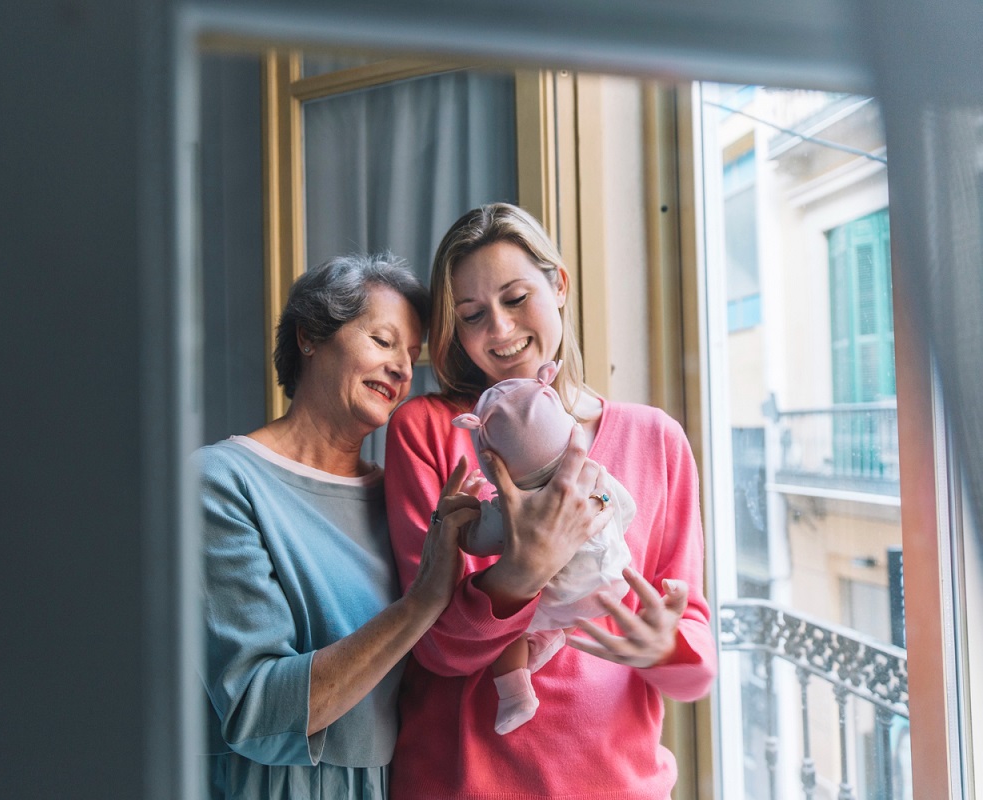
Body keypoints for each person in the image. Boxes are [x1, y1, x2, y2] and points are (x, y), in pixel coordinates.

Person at [385, 203, 717, 798]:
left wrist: (667, 647)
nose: (501, 330)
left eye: (516, 299)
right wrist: (524, 570)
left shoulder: (655, 439)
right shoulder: (434, 429)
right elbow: (429, 642)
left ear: (557, 285)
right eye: (472, 315)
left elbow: (694, 663)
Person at [196, 253, 486, 799]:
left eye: (412, 354)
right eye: (382, 340)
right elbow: (257, 709)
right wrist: (421, 601)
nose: (403, 367)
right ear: (310, 336)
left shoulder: (399, 495)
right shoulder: (221, 481)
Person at [450, 358, 636, 735]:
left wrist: (464, 510)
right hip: (615, 578)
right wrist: (608, 538)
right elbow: (626, 506)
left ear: (491, 459)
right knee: (562, 609)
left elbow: (473, 542)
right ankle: (554, 636)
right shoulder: (593, 473)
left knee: (508, 625)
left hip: (557, 592)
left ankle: (517, 695)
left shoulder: (511, 507)